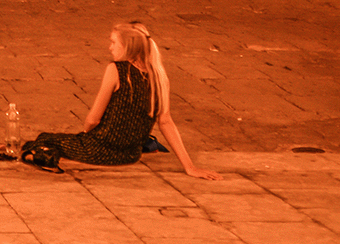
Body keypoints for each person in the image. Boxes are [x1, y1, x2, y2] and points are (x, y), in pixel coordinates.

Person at [24, 22, 222, 179]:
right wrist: (189, 166)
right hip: (130, 155)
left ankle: (44, 157)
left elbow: (93, 119)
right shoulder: (160, 76)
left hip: (99, 149)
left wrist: (83, 136)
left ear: (126, 47)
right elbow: (166, 122)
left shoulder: (117, 70)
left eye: (113, 43)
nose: (110, 48)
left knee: (43, 139)